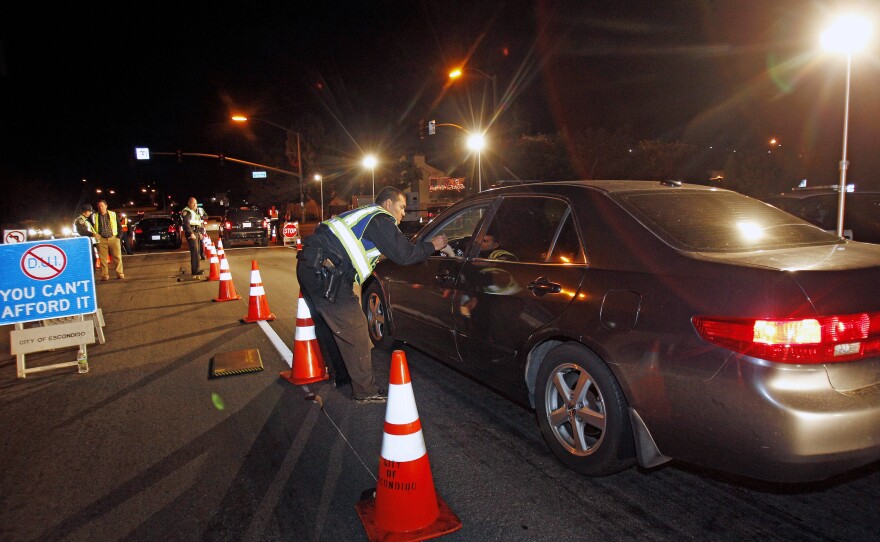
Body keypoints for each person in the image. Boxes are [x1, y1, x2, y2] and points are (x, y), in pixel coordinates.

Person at [296, 186, 448, 404]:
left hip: (310, 266)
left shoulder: (365, 217)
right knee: (356, 329)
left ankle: (342, 378)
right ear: (388, 204)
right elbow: (404, 255)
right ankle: (366, 391)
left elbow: (390, 247)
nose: (404, 213)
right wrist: (433, 245)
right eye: (402, 207)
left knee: (330, 328)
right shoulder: (380, 218)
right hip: (326, 271)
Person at [91, 199, 125, 280]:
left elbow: (119, 226)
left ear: (106, 206)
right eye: (99, 206)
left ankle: (120, 273)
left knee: (117, 257)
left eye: (102, 206)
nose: (100, 208)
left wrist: (119, 236)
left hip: (113, 238)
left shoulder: (113, 214)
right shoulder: (94, 216)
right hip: (101, 239)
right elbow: (92, 227)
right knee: (103, 259)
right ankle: (104, 275)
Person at [181, 197, 205, 276]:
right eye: (193, 203)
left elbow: (199, 223)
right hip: (191, 233)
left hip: (196, 232)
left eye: (196, 203)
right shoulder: (187, 212)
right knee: (194, 251)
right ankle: (195, 270)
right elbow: (186, 224)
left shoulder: (195, 212)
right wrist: (191, 233)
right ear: (189, 203)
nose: (195, 205)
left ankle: (196, 269)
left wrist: (200, 233)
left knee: (197, 252)